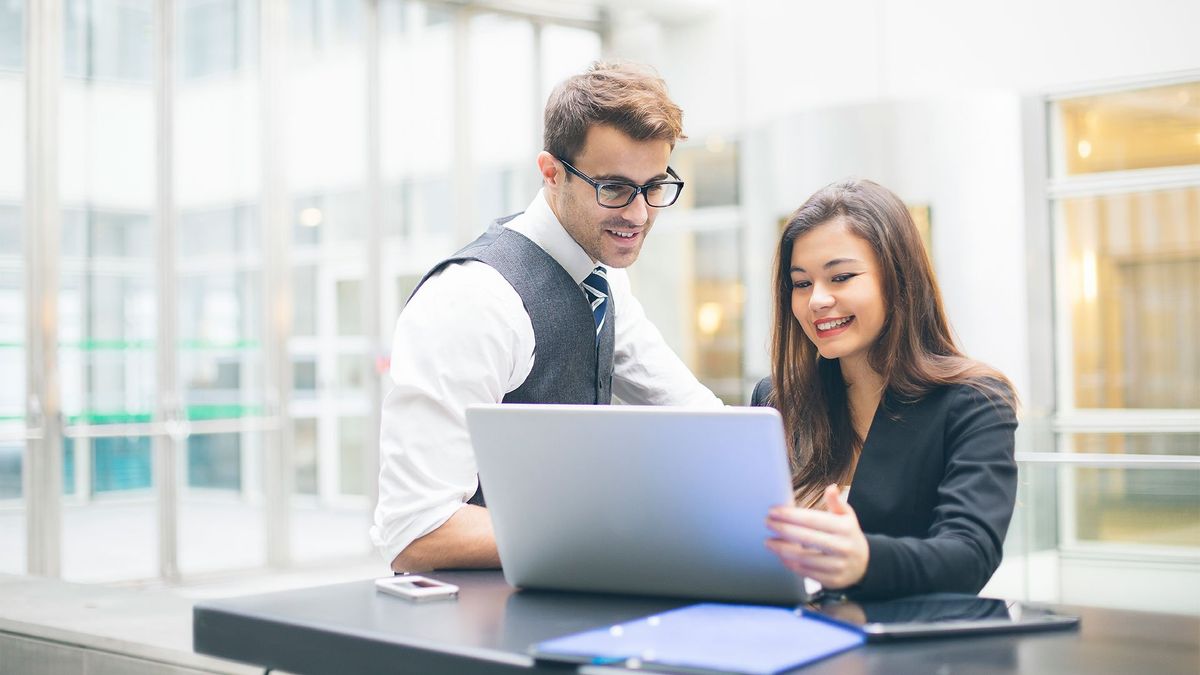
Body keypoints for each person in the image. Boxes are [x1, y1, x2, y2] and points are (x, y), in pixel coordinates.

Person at [371, 62, 722, 573]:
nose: (640, 214)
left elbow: (693, 413)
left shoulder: (602, 279)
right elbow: (415, 530)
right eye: (614, 188)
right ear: (551, 172)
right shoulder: (474, 299)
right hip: (475, 626)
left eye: (654, 187)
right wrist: (620, 528)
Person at [753, 178, 1018, 600]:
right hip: (792, 637)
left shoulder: (974, 401)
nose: (816, 300)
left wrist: (865, 561)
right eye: (801, 283)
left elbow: (970, 555)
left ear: (897, 280)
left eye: (840, 277)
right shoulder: (777, 399)